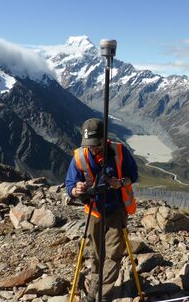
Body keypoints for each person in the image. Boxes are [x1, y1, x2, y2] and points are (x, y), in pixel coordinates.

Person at [66, 118, 138, 302]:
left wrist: (121, 183)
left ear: (104, 139)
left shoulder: (119, 151)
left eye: (95, 144)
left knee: (113, 255)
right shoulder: (79, 157)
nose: (92, 148)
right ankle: (93, 293)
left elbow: (134, 174)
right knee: (96, 256)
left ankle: (102, 297)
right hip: (94, 212)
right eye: (88, 144)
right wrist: (76, 190)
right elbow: (69, 184)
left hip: (116, 211)